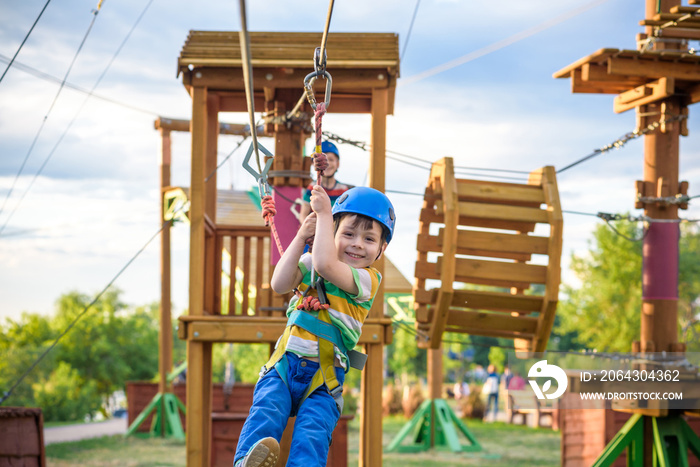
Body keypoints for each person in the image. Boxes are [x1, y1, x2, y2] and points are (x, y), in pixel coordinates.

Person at [233, 185, 396, 467]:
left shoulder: (368, 280)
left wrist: (323, 215)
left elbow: (326, 264)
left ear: (381, 249)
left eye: (369, 239)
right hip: (284, 365)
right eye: (348, 234)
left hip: (325, 378)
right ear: (331, 235)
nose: (357, 243)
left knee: (311, 438)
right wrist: (300, 236)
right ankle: (247, 463)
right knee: (265, 413)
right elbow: (280, 283)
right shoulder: (311, 263)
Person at [299, 141, 353, 220]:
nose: (327, 163)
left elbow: (345, 216)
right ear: (314, 164)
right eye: (324, 160)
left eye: (331, 159)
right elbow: (303, 215)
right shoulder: (312, 188)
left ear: (337, 164)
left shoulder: (342, 189)